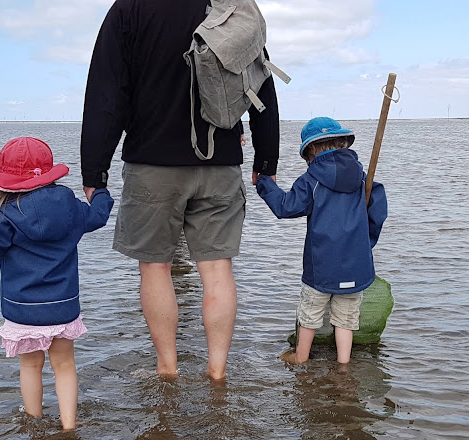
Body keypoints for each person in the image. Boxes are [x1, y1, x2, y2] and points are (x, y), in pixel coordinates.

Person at [80, 1, 280, 379]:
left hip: (152, 165)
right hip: (221, 163)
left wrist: (95, 171)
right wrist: (265, 162)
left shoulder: (131, 8)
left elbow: (107, 93)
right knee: (218, 269)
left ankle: (167, 368)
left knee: (156, 268)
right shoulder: (231, 6)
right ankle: (217, 371)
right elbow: (261, 84)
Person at [0, 137, 114, 429]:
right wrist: (99, 192)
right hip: (63, 306)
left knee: (30, 366)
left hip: (23, 309)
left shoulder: (4, 213)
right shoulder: (69, 205)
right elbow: (99, 215)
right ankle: (69, 426)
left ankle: (33, 423)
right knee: (64, 367)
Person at [256, 117, 387, 364]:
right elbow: (377, 214)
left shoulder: (312, 180)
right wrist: (364, 243)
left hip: (321, 266)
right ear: (341, 142)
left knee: (310, 314)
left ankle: (300, 356)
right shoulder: (363, 178)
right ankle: (343, 364)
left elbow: (286, 207)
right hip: (355, 265)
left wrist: (265, 184)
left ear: (312, 149)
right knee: (347, 319)